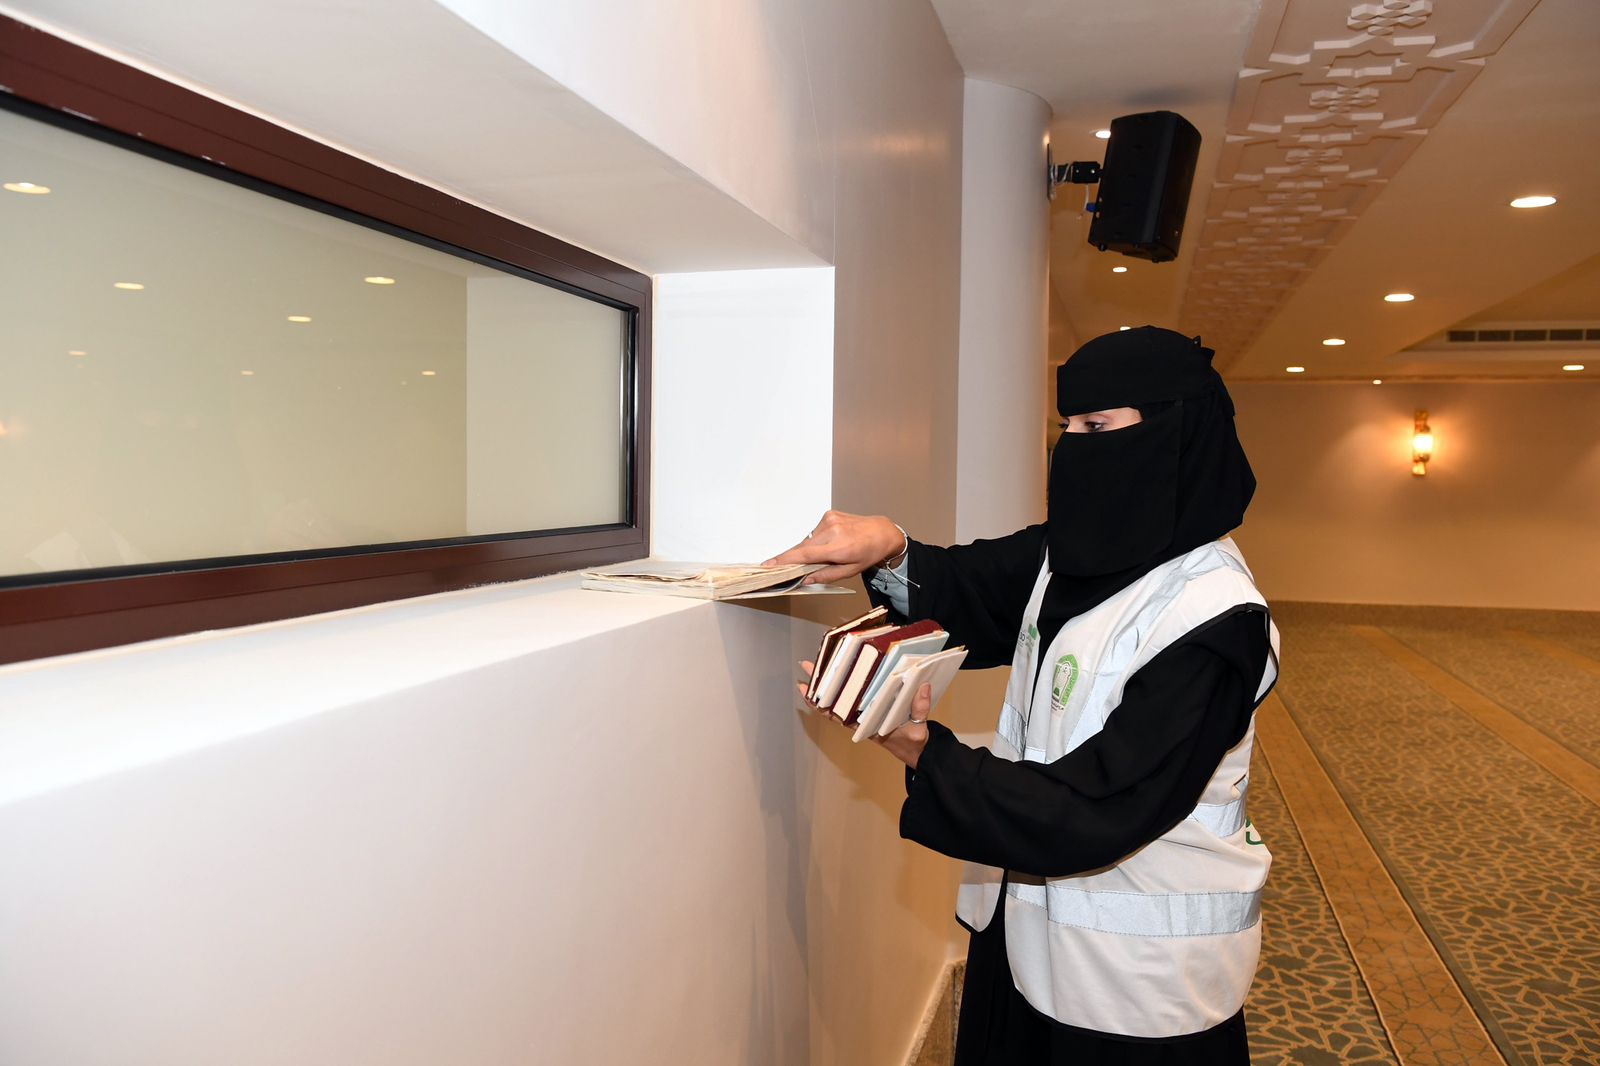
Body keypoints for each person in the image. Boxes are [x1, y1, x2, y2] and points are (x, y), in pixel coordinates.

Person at [767, 326, 1279, 1064]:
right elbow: (971, 590)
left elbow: (1102, 804)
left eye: (1097, 427)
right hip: (1024, 930)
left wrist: (925, 752)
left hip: (1139, 985)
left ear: (1171, 435)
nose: (1073, 449)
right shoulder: (1076, 550)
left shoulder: (1215, 620)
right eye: (1067, 427)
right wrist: (890, 547)